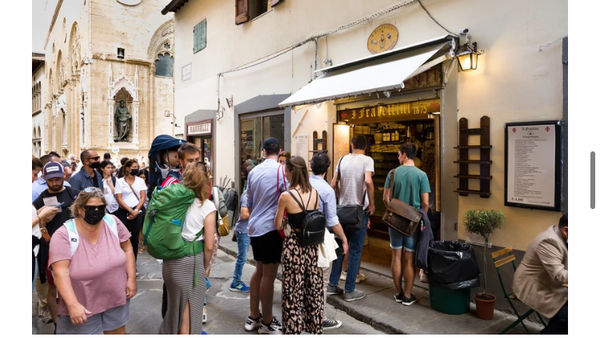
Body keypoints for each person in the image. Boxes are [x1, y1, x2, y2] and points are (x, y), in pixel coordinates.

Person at [49, 187, 136, 334]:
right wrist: (72, 304)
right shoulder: (64, 234)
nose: (96, 211)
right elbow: (60, 272)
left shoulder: (112, 222)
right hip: (82, 303)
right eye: (91, 208)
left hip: (114, 296)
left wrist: (131, 279)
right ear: (80, 209)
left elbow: (127, 249)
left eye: (100, 207)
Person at [159, 162, 216, 334]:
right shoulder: (206, 206)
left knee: (175, 307)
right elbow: (209, 245)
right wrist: (205, 266)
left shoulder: (173, 202)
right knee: (190, 311)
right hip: (191, 260)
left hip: (170, 261)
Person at [244, 137, 287, 334]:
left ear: (263, 151)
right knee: (269, 276)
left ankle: (254, 316)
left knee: (259, 270)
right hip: (271, 228)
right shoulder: (281, 171)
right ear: (279, 152)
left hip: (254, 227)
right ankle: (268, 322)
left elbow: (249, 201)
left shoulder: (254, 171)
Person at [33, 161, 80, 326]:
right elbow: (35, 226)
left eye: (57, 179)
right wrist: (42, 219)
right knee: (53, 288)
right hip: (52, 249)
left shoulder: (75, 194)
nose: (54, 183)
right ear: (44, 179)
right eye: (50, 180)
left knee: (78, 284)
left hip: (76, 247)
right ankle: (57, 325)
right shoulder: (41, 199)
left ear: (63, 176)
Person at [383, 142, 430, 306]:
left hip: (395, 220)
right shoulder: (421, 175)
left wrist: (394, 210)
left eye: (398, 154)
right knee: (409, 258)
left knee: (396, 256)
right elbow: (425, 202)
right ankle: (408, 295)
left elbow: (385, 198)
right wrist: (420, 217)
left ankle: (398, 293)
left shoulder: (393, 173)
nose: (398, 157)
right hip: (413, 222)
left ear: (403, 154)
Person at [328, 135, 375, 302]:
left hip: (342, 210)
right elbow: (368, 181)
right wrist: (372, 203)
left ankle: (332, 285)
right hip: (358, 211)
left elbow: (333, 184)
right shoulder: (367, 160)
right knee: (355, 250)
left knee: (340, 247)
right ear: (365, 147)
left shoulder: (342, 160)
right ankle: (349, 290)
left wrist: (340, 198)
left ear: (352, 145)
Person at [309, 153, 349, 330]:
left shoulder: (301, 184)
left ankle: (304, 313)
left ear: (311, 166)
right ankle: (320, 317)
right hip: (319, 238)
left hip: (300, 238)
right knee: (321, 279)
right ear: (327, 169)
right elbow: (332, 220)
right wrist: (345, 239)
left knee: (306, 278)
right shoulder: (327, 190)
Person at [513, 214, 568, 334]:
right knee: (567, 315)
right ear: (566, 230)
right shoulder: (549, 241)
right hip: (532, 287)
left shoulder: (561, 237)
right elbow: (560, 275)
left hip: (548, 283)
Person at [114, 159, 147, 261]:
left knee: (134, 238)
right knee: (124, 237)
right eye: (134, 167)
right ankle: (123, 261)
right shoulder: (120, 181)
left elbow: (142, 197)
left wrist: (136, 210)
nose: (136, 169)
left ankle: (133, 262)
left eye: (137, 167)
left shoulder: (140, 181)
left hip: (137, 211)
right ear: (127, 168)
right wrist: (130, 210)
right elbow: (119, 198)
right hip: (124, 211)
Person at [230, 191, 251, 293]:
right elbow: (244, 214)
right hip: (243, 231)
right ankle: (235, 282)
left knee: (242, 257)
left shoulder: (251, 194)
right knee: (242, 258)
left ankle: (237, 281)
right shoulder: (247, 195)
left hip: (247, 230)